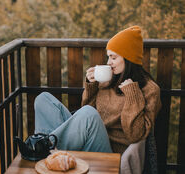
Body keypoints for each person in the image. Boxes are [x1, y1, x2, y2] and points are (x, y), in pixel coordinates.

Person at [34, 25, 162, 155]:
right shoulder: (109, 79)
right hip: (89, 139)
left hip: (111, 152)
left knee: (89, 113)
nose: (109, 62)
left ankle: (43, 149)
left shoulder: (150, 89)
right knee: (43, 100)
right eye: (108, 57)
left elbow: (135, 135)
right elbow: (85, 113)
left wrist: (132, 94)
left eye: (113, 57)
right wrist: (91, 86)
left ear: (129, 58)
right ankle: (46, 147)